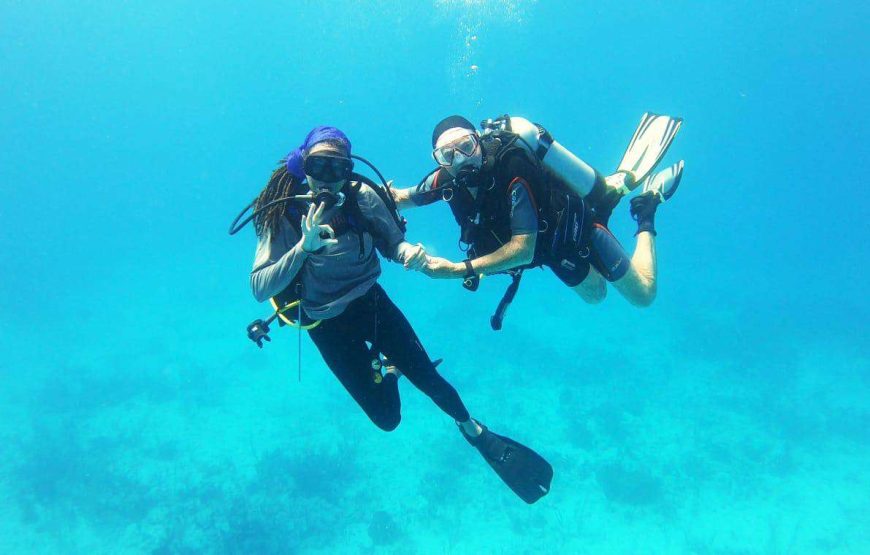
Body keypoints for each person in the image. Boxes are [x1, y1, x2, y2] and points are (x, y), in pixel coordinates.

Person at [243, 126, 553, 504]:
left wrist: (411, 255)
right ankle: (389, 369)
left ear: (349, 169)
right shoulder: (285, 214)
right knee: (388, 420)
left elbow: (394, 243)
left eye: (336, 167)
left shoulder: (362, 197)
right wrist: (303, 249)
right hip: (324, 323)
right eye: (317, 166)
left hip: (371, 303)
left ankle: (473, 430)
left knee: (431, 380)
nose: (326, 178)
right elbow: (260, 287)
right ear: (302, 166)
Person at [391, 114, 685, 311]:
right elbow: (401, 197)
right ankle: (615, 190)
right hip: (551, 251)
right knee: (597, 296)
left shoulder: (512, 166)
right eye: (448, 155)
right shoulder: (446, 181)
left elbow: (523, 248)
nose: (460, 159)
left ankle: (646, 210)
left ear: (478, 142)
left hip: (576, 229)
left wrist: (458, 270)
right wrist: (360, 191)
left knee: (643, 296)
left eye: (466, 146)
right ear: (440, 161)